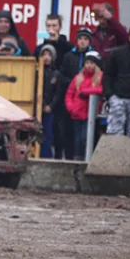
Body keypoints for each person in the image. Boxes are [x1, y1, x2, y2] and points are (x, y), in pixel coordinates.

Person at [55, 27, 94, 160]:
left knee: (84, 133)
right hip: (71, 98)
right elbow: (62, 76)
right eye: (80, 39)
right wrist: (74, 82)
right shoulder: (69, 56)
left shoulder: (93, 57)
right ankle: (70, 156)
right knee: (68, 131)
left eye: (85, 39)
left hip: (87, 100)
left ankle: (85, 156)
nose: (82, 42)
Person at [65, 51, 103, 159]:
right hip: (77, 113)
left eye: (92, 63)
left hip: (90, 114)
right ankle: (78, 159)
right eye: (87, 63)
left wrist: (87, 92)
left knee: (85, 138)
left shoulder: (100, 77)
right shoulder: (78, 78)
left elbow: (102, 89)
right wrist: (71, 107)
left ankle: (87, 158)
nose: (89, 65)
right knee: (77, 139)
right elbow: (69, 94)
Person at [38, 45, 60, 158]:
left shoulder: (56, 73)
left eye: (49, 55)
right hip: (36, 108)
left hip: (49, 109)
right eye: (44, 54)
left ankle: (46, 156)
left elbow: (57, 93)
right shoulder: (36, 71)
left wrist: (50, 106)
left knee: (47, 134)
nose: (46, 57)